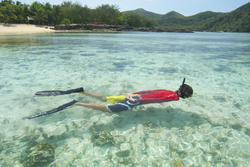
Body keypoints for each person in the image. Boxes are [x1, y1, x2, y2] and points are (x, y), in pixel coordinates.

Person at [75, 78, 193, 113]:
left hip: (135, 96)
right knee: (108, 110)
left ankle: (81, 92)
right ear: (184, 96)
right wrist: (134, 98)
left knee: (105, 98)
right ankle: (78, 103)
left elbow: (149, 91)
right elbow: (157, 98)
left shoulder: (167, 90)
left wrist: (134, 93)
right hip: (135, 100)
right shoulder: (173, 97)